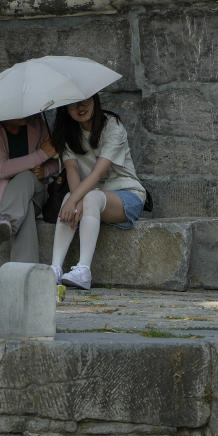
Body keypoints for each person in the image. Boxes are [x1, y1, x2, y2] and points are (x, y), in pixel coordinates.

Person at [49, 94, 146, 290]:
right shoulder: (67, 133)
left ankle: (83, 270)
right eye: (73, 103)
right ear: (65, 109)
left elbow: (98, 172)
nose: (80, 107)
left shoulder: (112, 126)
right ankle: (55, 269)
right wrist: (73, 201)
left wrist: (76, 201)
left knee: (86, 197)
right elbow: (72, 170)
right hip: (91, 195)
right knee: (70, 196)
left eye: (85, 101)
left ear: (95, 101)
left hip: (126, 195)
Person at [0, 116, 59, 263]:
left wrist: (44, 171)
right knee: (25, 209)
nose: (25, 115)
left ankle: (5, 219)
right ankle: (25, 272)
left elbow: (58, 161)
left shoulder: (37, 124)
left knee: (25, 177)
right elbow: (2, 168)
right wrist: (41, 155)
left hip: (34, 192)